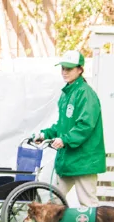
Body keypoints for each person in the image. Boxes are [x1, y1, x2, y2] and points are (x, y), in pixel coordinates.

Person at [31, 50, 107, 208]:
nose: (64, 72)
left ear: (80, 70)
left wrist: (64, 139)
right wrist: (45, 134)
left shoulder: (86, 93)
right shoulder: (66, 93)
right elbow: (62, 125)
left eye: (69, 69)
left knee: (88, 204)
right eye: (63, 68)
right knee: (54, 200)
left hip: (85, 160)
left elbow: (86, 125)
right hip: (68, 159)